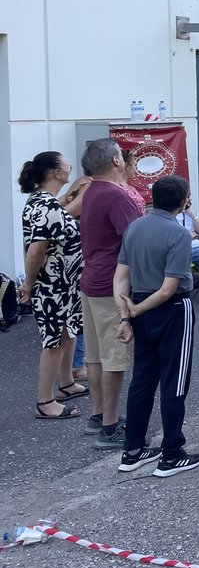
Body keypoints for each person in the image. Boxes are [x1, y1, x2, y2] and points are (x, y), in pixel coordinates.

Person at [112, 175, 199, 477]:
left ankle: (133, 449)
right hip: (172, 308)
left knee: (142, 379)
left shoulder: (134, 227)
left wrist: (127, 314)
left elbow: (120, 277)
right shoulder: (178, 234)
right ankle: (172, 452)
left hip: (139, 304)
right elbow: (169, 288)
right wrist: (137, 309)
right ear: (184, 201)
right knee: (174, 380)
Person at [79, 139, 140, 448]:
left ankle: (97, 414)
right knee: (114, 356)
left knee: (95, 355)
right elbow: (136, 240)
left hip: (91, 279)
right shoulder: (117, 196)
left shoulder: (90, 192)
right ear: (117, 160)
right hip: (111, 285)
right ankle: (110, 426)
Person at [18, 151, 85, 420]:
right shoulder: (45, 204)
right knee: (54, 340)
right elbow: (36, 251)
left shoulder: (44, 201)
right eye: (65, 164)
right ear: (56, 172)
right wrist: (29, 285)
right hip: (52, 286)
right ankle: (45, 402)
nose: (69, 166)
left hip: (64, 283)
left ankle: (66, 383)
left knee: (68, 332)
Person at [118, 150, 148, 215]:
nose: (135, 169)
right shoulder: (118, 189)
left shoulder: (130, 187)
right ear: (126, 166)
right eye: (134, 165)